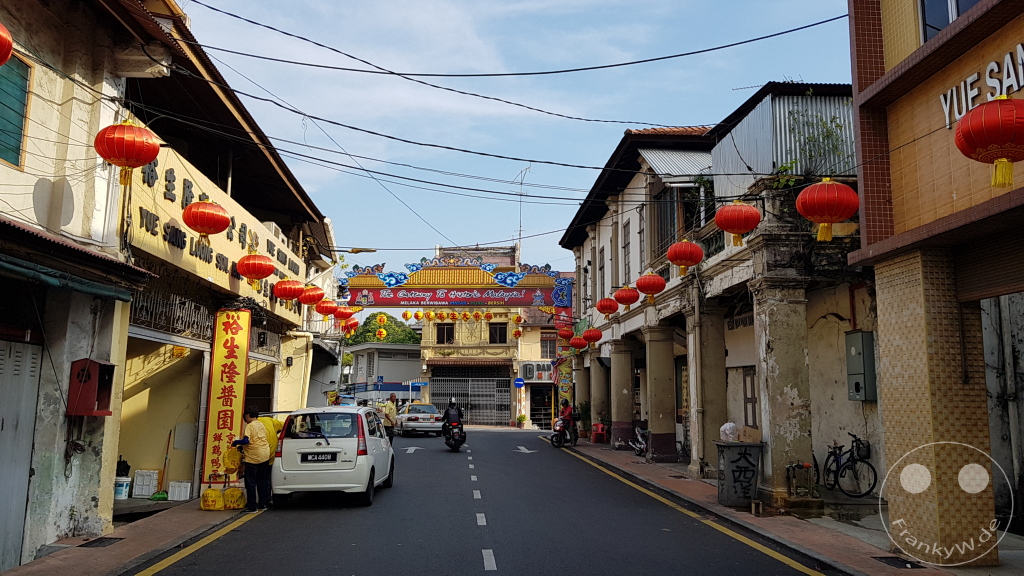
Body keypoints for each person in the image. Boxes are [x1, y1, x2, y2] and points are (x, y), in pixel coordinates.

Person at [232, 406, 271, 512]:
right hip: (265, 454)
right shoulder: (260, 424)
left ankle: (252, 506)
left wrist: (236, 443)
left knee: (251, 482)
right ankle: (263, 504)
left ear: (248, 415)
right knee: (262, 481)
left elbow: (246, 441)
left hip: (254, 456)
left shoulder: (250, 426)